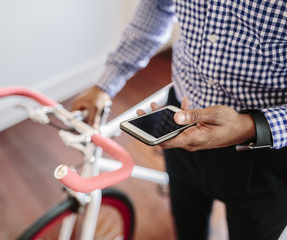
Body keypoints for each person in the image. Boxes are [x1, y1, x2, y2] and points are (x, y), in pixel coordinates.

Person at [71, 1, 287, 239]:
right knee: (187, 224)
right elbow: (156, 8)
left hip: (265, 151)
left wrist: (249, 125)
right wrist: (106, 82)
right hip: (180, 125)